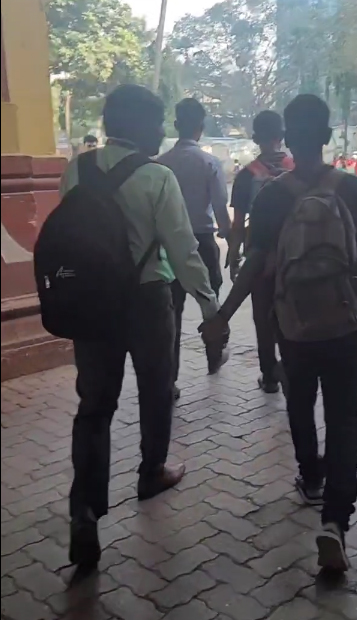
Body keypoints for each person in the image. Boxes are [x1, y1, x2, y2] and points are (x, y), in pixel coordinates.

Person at [201, 95, 357, 574]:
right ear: (325, 136)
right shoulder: (350, 188)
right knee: (345, 417)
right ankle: (335, 522)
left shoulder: (273, 196)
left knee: (300, 402)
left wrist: (223, 315)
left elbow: (256, 263)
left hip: (293, 323)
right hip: (345, 321)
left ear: (288, 138)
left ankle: (311, 477)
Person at [61, 85, 224, 573]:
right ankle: (151, 471)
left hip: (91, 302)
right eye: (156, 123)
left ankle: (85, 510)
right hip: (148, 299)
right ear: (136, 125)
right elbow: (182, 249)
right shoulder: (157, 176)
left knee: (94, 405)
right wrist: (209, 305)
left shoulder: (76, 170)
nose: (162, 132)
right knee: (156, 390)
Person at [159, 99, 231, 396]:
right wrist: (230, 239)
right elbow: (221, 209)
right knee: (209, 304)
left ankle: (171, 379)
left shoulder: (160, 164)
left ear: (176, 125)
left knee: (171, 312)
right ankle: (214, 356)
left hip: (168, 244)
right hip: (202, 241)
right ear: (201, 128)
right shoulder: (209, 163)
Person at [228, 110, 294, 393]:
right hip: (296, 256)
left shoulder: (247, 175)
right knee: (291, 313)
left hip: (259, 259)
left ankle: (269, 376)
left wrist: (233, 254)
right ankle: (292, 368)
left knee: (262, 317)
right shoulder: (298, 169)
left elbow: (238, 223)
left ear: (255, 138)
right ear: (283, 136)